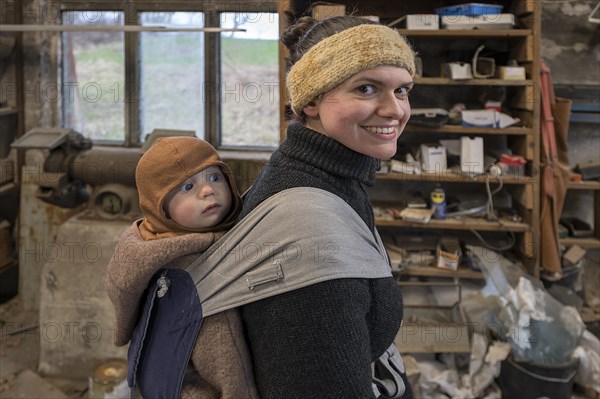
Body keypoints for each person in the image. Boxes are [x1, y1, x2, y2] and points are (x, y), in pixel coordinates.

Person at [237, 15, 416, 398]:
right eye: (367, 88)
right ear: (312, 101)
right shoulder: (311, 233)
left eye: (402, 90)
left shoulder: (329, 176)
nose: (395, 110)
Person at [105, 136, 258, 398]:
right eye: (187, 186)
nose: (208, 190)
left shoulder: (145, 240)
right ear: (160, 207)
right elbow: (229, 365)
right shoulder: (199, 272)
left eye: (214, 177)